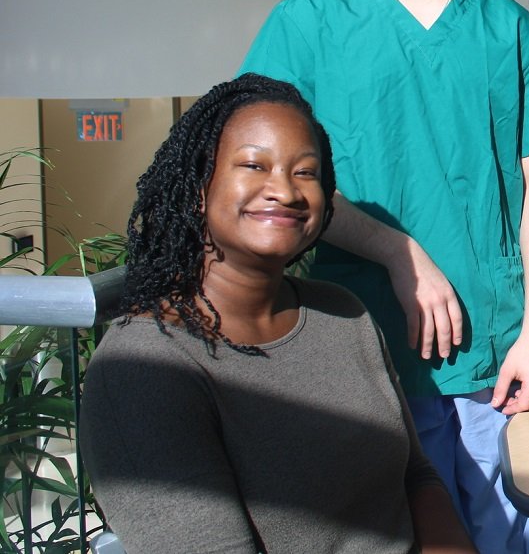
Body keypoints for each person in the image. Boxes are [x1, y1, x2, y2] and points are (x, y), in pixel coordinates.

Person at [240, 0, 529, 552]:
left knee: (511, 541)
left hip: (498, 358)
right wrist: (397, 250)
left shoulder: (510, 30)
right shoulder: (305, 25)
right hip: (362, 350)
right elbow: (271, 184)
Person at [80, 74, 476, 554]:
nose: (284, 191)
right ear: (197, 186)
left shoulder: (342, 313)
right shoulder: (143, 369)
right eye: (254, 164)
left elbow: (414, 474)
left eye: (305, 172)